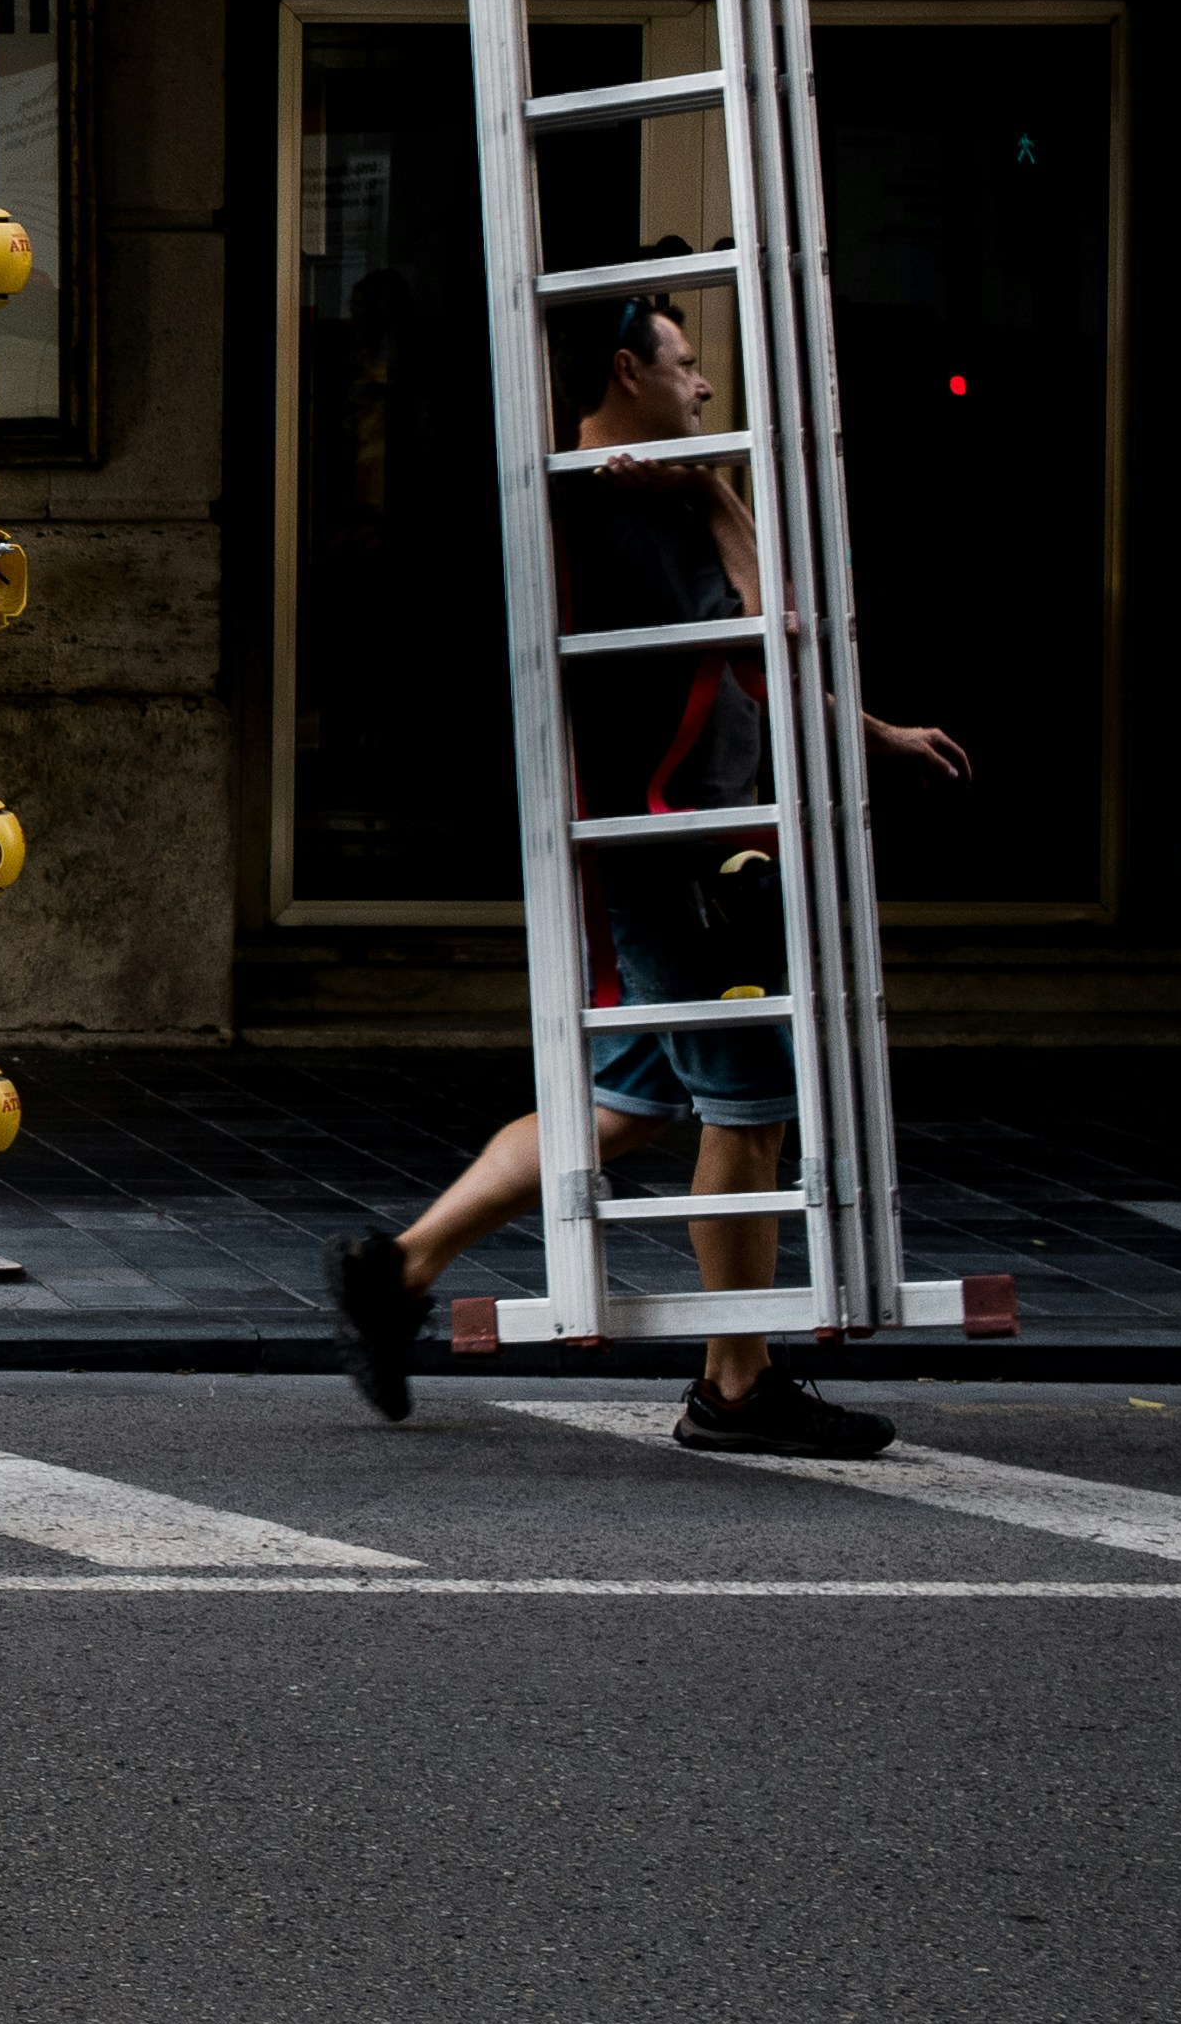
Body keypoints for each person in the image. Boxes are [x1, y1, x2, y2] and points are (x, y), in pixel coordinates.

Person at [325, 289, 969, 1453]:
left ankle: (397, 1267)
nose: (704, 383)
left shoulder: (604, 505)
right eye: (684, 362)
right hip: (681, 863)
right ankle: (735, 1386)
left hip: (660, 854)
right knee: (750, 1107)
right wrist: (717, 493)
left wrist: (876, 736)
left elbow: (749, 671)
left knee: (620, 1107)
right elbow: (772, 637)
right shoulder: (630, 515)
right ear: (627, 371)